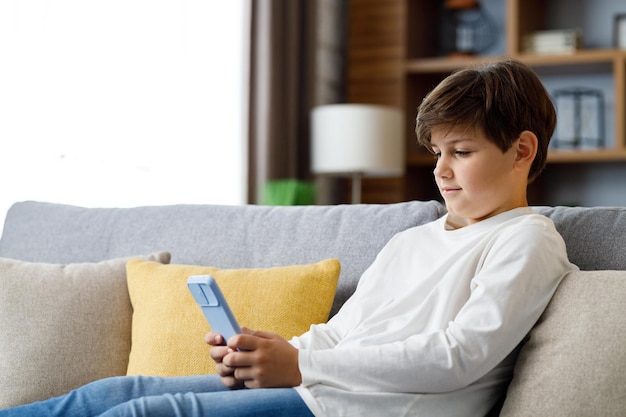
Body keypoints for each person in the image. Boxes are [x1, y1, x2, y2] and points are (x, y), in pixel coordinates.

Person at [0, 59, 577, 417]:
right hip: (323, 390)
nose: (441, 170)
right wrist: (270, 354)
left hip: (369, 410)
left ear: (521, 151)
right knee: (105, 396)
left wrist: (301, 368)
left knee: (149, 411)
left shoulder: (526, 239)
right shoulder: (414, 242)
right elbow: (339, 335)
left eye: (463, 152)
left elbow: (458, 358)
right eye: (437, 153)